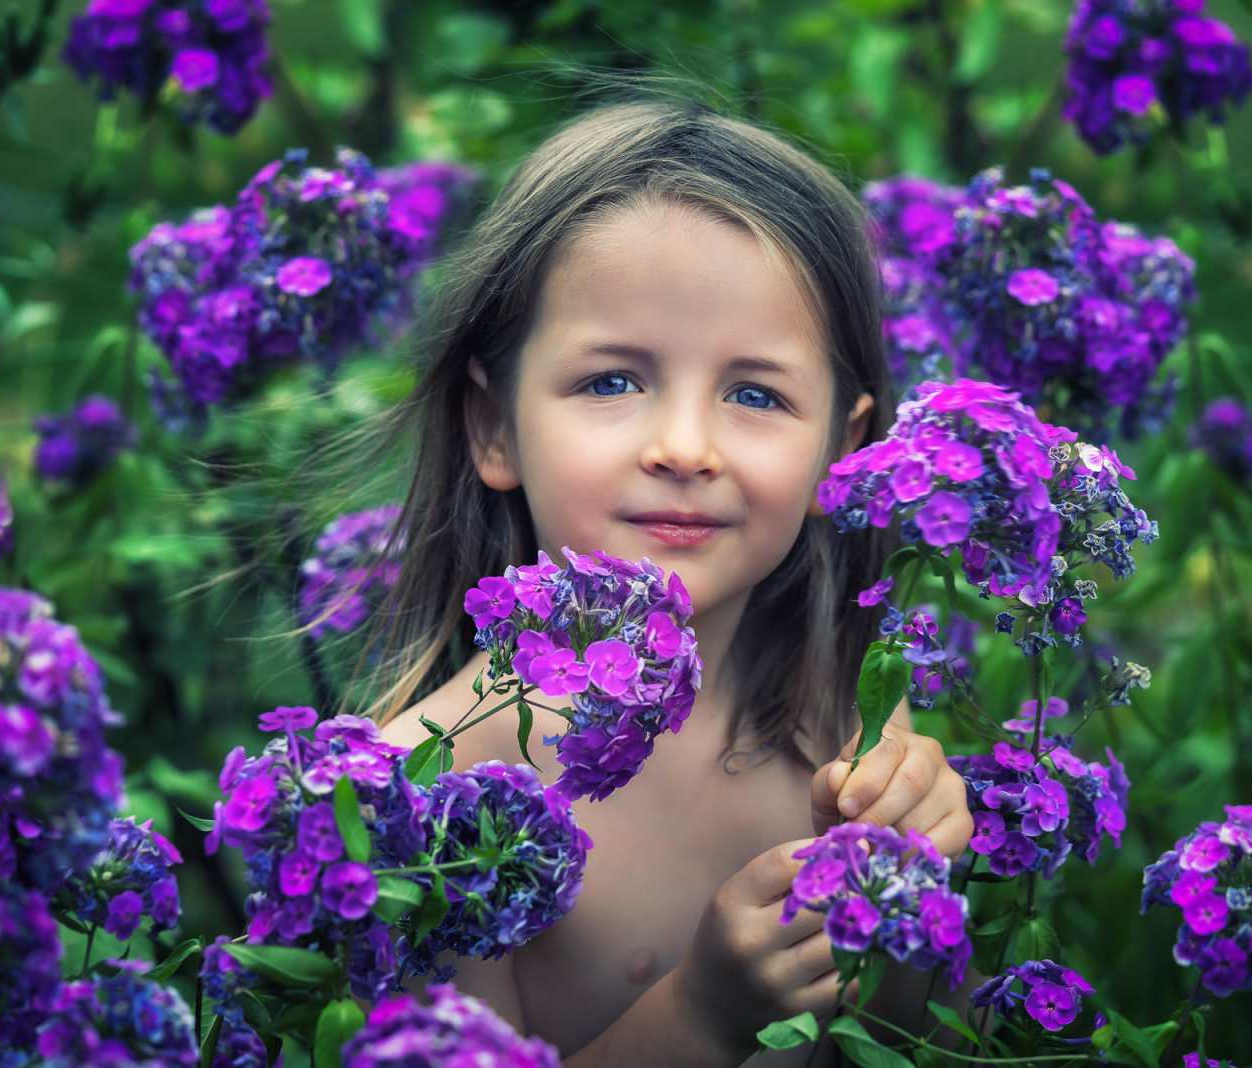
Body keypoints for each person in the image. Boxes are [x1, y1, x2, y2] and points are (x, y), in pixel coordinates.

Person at [367, 99, 975, 1066]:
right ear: (493, 428)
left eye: (755, 395)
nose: (685, 447)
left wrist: (916, 882)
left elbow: (908, 1042)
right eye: (612, 381)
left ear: (842, 452)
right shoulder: (428, 790)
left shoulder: (846, 734)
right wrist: (697, 1018)